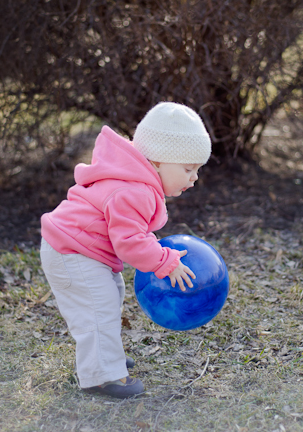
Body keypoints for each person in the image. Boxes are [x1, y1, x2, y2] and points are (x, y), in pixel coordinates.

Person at [40, 102, 211, 398]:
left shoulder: (135, 180)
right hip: (72, 253)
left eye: (197, 170)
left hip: (80, 251)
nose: (194, 178)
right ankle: (102, 376)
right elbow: (129, 242)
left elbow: (131, 231)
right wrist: (164, 261)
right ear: (158, 161)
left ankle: (104, 358)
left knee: (110, 299)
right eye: (187, 169)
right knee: (98, 309)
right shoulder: (135, 190)